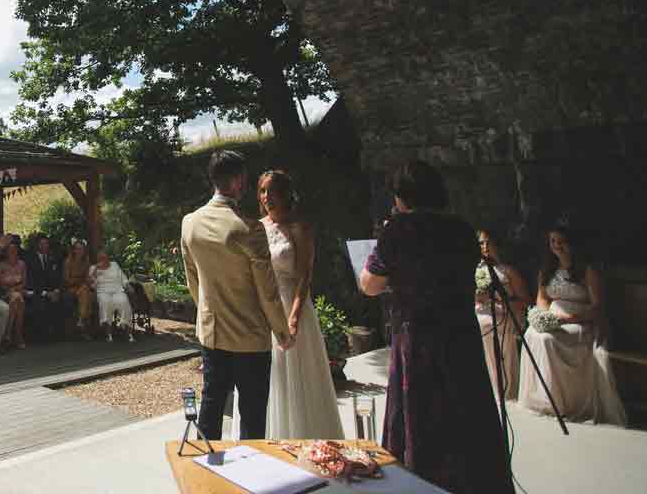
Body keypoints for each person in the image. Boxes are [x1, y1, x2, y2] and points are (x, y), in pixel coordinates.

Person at [359, 160, 511, 494]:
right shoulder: (461, 229)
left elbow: (369, 284)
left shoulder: (397, 230)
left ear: (403, 195)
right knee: (466, 415)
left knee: (422, 420)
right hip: (460, 334)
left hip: (419, 340)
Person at [181, 150, 291, 441]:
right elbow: (267, 291)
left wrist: (207, 312)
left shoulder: (189, 223)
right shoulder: (249, 228)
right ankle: (252, 475)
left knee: (212, 402)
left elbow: (193, 280)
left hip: (212, 331)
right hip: (250, 335)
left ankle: (205, 470)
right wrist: (282, 330)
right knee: (253, 413)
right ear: (239, 181)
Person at [228, 170, 343, 440]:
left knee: (297, 377)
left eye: (272, 190)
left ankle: (305, 438)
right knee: (265, 379)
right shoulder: (256, 227)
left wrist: (293, 319)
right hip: (262, 309)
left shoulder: (299, 227)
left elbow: (305, 277)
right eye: (262, 191)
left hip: (292, 306)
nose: (267, 197)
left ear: (285, 194)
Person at [517, 226, 627, 424]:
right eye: (553, 241)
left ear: (572, 244)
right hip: (554, 319)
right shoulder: (547, 270)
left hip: (581, 322)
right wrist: (541, 317)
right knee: (532, 335)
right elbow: (542, 298)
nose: (557, 246)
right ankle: (544, 398)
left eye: (561, 241)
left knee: (549, 340)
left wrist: (567, 319)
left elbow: (597, 307)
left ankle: (564, 402)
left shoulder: (587, 270)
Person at [476, 228, 527, 401]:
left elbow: (524, 301)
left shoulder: (508, 271)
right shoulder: (475, 270)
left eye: (488, 242)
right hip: (480, 312)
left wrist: (500, 299)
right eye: (481, 243)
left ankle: (505, 389)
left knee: (488, 325)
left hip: (505, 314)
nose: (485, 246)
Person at [90, 248, 136, 342]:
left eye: (105, 257)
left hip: (117, 290)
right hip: (103, 291)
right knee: (105, 303)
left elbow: (123, 278)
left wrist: (128, 286)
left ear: (108, 257)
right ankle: (108, 334)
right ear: (98, 259)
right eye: (101, 258)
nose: (103, 260)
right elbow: (91, 284)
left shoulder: (114, 265)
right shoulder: (93, 268)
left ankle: (128, 332)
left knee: (123, 301)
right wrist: (96, 270)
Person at [27, 235, 64, 341]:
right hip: (37, 292)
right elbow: (31, 281)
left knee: (61, 300)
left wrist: (56, 291)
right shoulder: (31, 259)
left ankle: (57, 335)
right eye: (42, 244)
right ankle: (41, 336)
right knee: (40, 303)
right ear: (37, 245)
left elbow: (58, 277)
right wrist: (45, 293)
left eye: (46, 244)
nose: (44, 246)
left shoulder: (53, 257)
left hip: (52, 291)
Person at [0, 241, 29, 349]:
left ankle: (8, 335)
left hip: (19, 292)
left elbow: (24, 282)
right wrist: (12, 290)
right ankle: (18, 336)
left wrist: (15, 289)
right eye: (10, 250)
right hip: (5, 293)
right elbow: (1, 284)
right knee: (17, 299)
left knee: (16, 299)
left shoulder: (22, 264)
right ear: (6, 252)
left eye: (14, 250)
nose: (12, 252)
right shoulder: (1, 265)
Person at [63, 240, 94, 337]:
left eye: (81, 249)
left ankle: (81, 321)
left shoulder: (86, 261)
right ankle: (82, 324)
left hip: (82, 287)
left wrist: (86, 281)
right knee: (86, 293)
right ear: (74, 250)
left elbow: (88, 277)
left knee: (88, 294)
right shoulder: (68, 261)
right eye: (77, 249)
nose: (79, 251)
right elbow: (67, 280)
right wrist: (81, 280)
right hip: (71, 288)